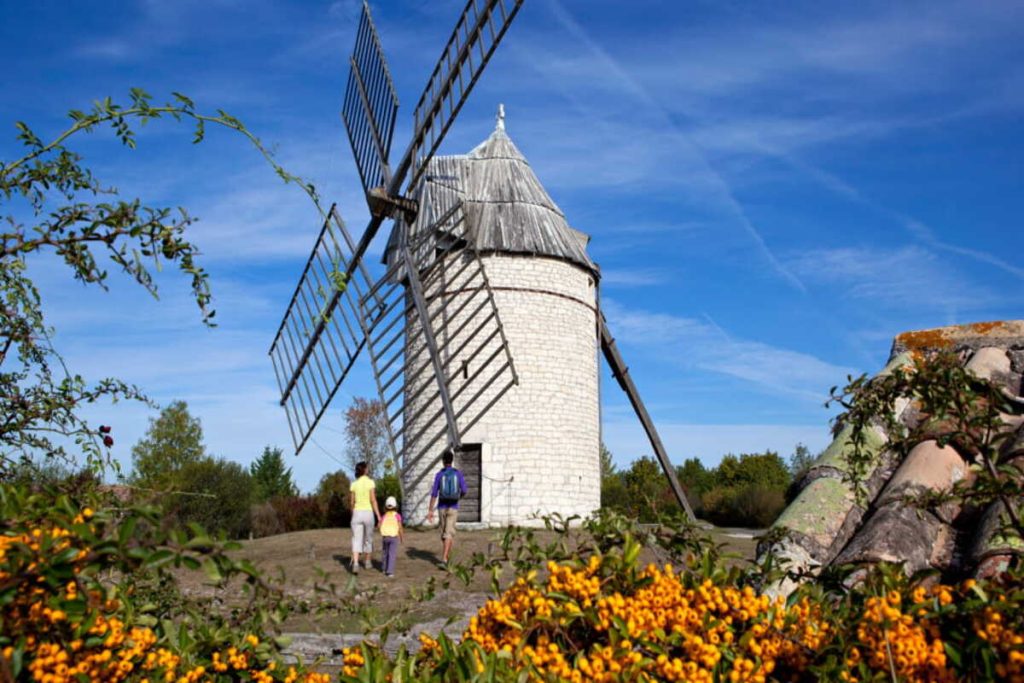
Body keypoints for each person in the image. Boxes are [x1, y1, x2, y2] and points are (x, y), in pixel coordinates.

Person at [426, 448, 467, 568]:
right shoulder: (457, 473)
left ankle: (444, 558)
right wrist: (458, 497)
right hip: (453, 506)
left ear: (443, 461)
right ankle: (446, 556)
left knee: (445, 533)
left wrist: (430, 510)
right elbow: (464, 490)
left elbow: (434, 493)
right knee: (447, 534)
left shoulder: (439, 474)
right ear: (452, 460)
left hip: (442, 506)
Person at [348, 461, 379, 573]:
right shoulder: (370, 482)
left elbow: (352, 502)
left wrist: (353, 514)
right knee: (368, 538)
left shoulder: (354, 484)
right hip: (368, 512)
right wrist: (379, 516)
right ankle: (367, 562)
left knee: (356, 539)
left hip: (357, 512)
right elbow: (373, 500)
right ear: (365, 470)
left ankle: (355, 564)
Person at [378, 495, 404, 578]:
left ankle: (383, 568)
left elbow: (379, 525)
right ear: (396, 506)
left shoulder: (384, 516)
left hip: (385, 537)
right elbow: (400, 527)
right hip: (393, 537)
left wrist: (381, 528)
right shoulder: (397, 516)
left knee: (385, 552)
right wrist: (401, 537)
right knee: (392, 553)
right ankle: (390, 571)